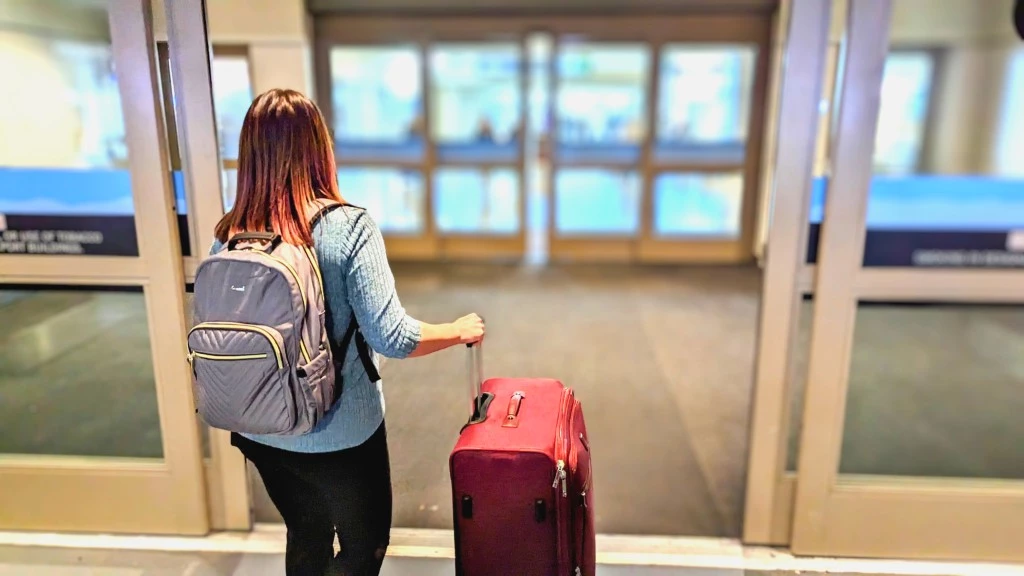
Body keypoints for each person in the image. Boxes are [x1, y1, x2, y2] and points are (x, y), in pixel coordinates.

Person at [212, 88, 485, 576]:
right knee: (364, 548)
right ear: (319, 146)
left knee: (306, 530)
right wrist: (457, 329)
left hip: (256, 424)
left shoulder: (230, 233)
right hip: (339, 431)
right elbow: (393, 337)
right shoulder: (348, 228)